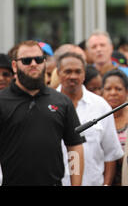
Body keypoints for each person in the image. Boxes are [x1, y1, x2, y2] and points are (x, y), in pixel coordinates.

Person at [0, 40, 85, 185]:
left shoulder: (62, 101)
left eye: (38, 59)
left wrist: (76, 184)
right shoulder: (2, 101)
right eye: (26, 60)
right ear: (14, 66)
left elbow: (75, 147)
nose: (33, 64)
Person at [56, 52, 124, 186]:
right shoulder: (47, 105)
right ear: (58, 73)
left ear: (84, 74)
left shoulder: (101, 106)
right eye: (68, 71)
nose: (73, 76)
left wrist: (106, 184)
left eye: (78, 71)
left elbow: (110, 154)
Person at [86, 30, 128, 97]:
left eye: (102, 45)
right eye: (94, 47)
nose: (99, 49)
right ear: (88, 51)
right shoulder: (85, 75)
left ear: (111, 47)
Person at [102, 69, 128, 186]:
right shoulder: (97, 117)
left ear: (127, 91)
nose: (113, 93)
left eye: (118, 89)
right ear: (102, 91)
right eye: (108, 89)